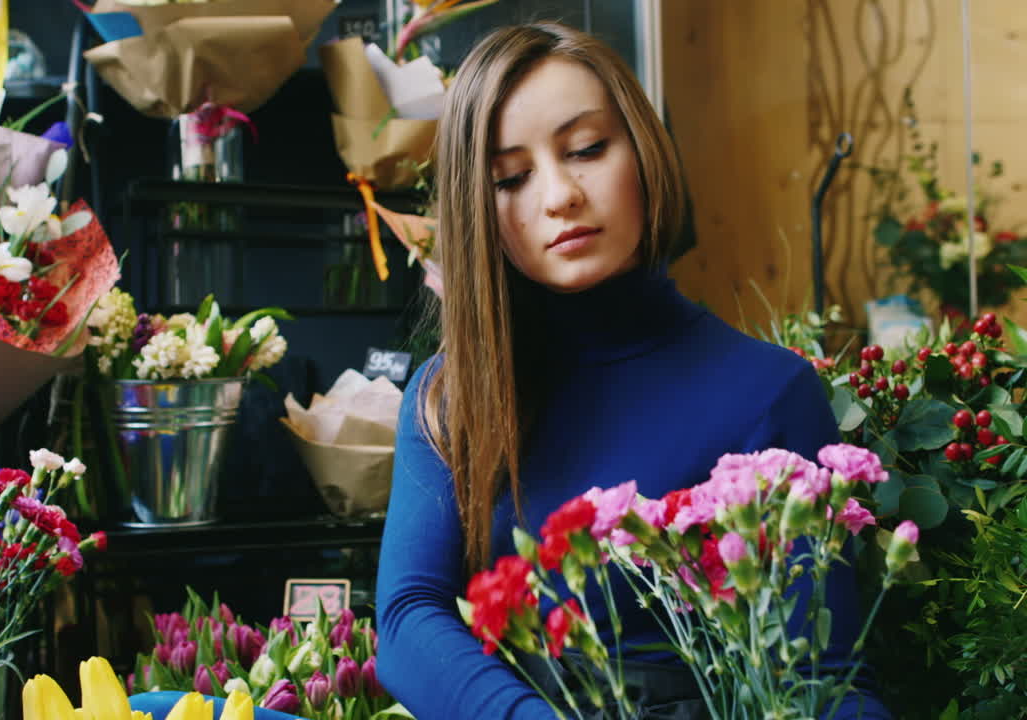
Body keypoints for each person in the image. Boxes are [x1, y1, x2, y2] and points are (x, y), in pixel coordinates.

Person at [374, 22, 891, 719]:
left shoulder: (770, 395)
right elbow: (407, 619)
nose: (559, 195)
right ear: (477, 210)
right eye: (512, 178)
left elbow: (819, 684)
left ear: (645, 153)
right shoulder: (451, 396)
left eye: (586, 149)